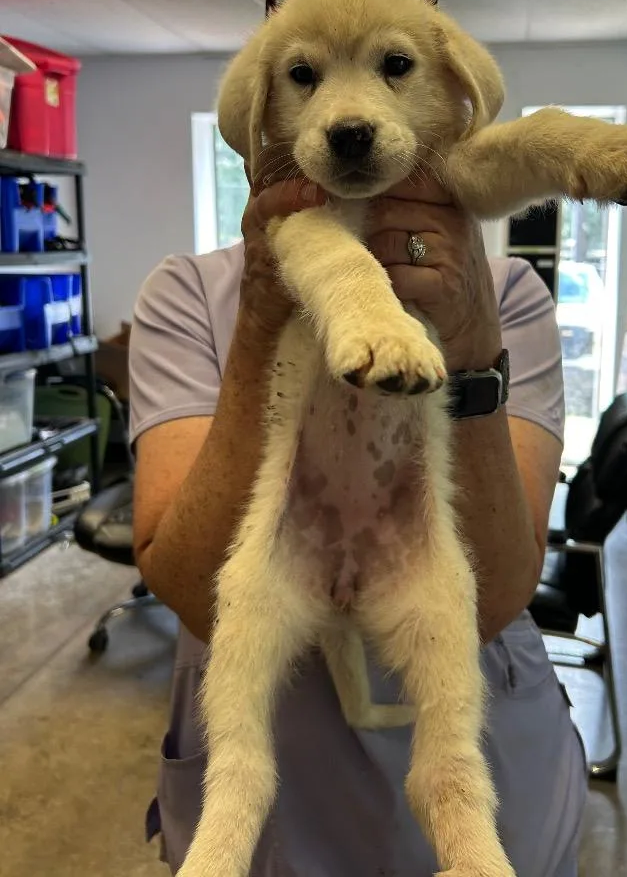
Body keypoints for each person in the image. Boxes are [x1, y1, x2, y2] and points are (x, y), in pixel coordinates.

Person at [129, 174, 588, 877]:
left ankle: (458, 812)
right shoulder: (191, 291)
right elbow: (187, 580)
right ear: (251, 122)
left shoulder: (503, 289)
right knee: (240, 792)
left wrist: (466, 337)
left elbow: (494, 597)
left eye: (393, 67)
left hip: (473, 702)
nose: (346, 122)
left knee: (463, 796)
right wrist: (261, 312)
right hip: (274, 769)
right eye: (302, 79)